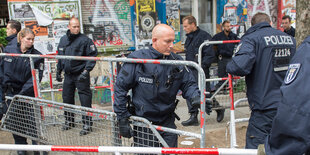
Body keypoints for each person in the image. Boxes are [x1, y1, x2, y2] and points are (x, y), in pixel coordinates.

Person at [113, 24, 212, 147]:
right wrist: (122, 118)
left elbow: (188, 84)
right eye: (167, 41)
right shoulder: (138, 60)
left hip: (167, 120)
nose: (172, 45)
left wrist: (196, 97)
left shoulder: (176, 61)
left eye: (173, 41)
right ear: (154, 40)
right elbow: (120, 88)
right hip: (144, 123)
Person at [226, 12, 296, 149]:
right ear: (270, 23)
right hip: (287, 105)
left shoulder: (252, 39)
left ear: (253, 26)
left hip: (264, 107)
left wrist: (229, 64)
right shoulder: (289, 39)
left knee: (256, 147)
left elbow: (238, 66)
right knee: (283, 148)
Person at [256, 36, 310, 155]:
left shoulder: (307, 49)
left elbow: (297, 110)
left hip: (264, 102)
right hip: (274, 98)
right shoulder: (288, 39)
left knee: (255, 140)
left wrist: (278, 150)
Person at [1, 28, 45, 155]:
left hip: (27, 94)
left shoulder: (37, 56)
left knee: (33, 124)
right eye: (28, 39)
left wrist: (21, 94)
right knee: (15, 123)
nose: (31, 42)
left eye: (32, 39)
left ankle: (37, 148)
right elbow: (2, 72)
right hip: (11, 93)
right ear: (21, 38)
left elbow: (35, 79)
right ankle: (21, 147)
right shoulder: (8, 51)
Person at [56, 17, 98, 136]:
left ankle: (87, 124)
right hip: (68, 75)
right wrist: (58, 71)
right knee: (67, 98)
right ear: (69, 26)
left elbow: (92, 56)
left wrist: (86, 71)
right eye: (74, 26)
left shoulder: (85, 40)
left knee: (85, 100)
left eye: (78, 26)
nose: (76, 28)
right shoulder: (63, 40)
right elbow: (60, 56)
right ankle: (69, 121)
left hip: (81, 75)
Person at [181, 15, 220, 126]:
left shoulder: (204, 36)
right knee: (190, 93)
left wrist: (201, 66)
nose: (184, 28)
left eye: (186, 26)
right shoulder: (189, 37)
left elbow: (210, 55)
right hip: (190, 69)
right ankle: (193, 116)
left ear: (193, 24)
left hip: (201, 70)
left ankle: (218, 108)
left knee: (205, 94)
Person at [211, 20, 239, 122]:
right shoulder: (218, 36)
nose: (228, 28)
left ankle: (228, 89)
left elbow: (239, 42)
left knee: (230, 77)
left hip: (230, 58)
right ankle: (220, 90)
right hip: (222, 58)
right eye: (227, 26)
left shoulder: (233, 36)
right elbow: (211, 43)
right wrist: (215, 53)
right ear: (223, 27)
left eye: (229, 26)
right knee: (221, 76)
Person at [0, 20, 21, 120]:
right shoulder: (11, 44)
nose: (6, 31)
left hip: (10, 85)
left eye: (8, 29)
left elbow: (8, 68)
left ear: (14, 30)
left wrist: (4, 81)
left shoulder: (12, 46)